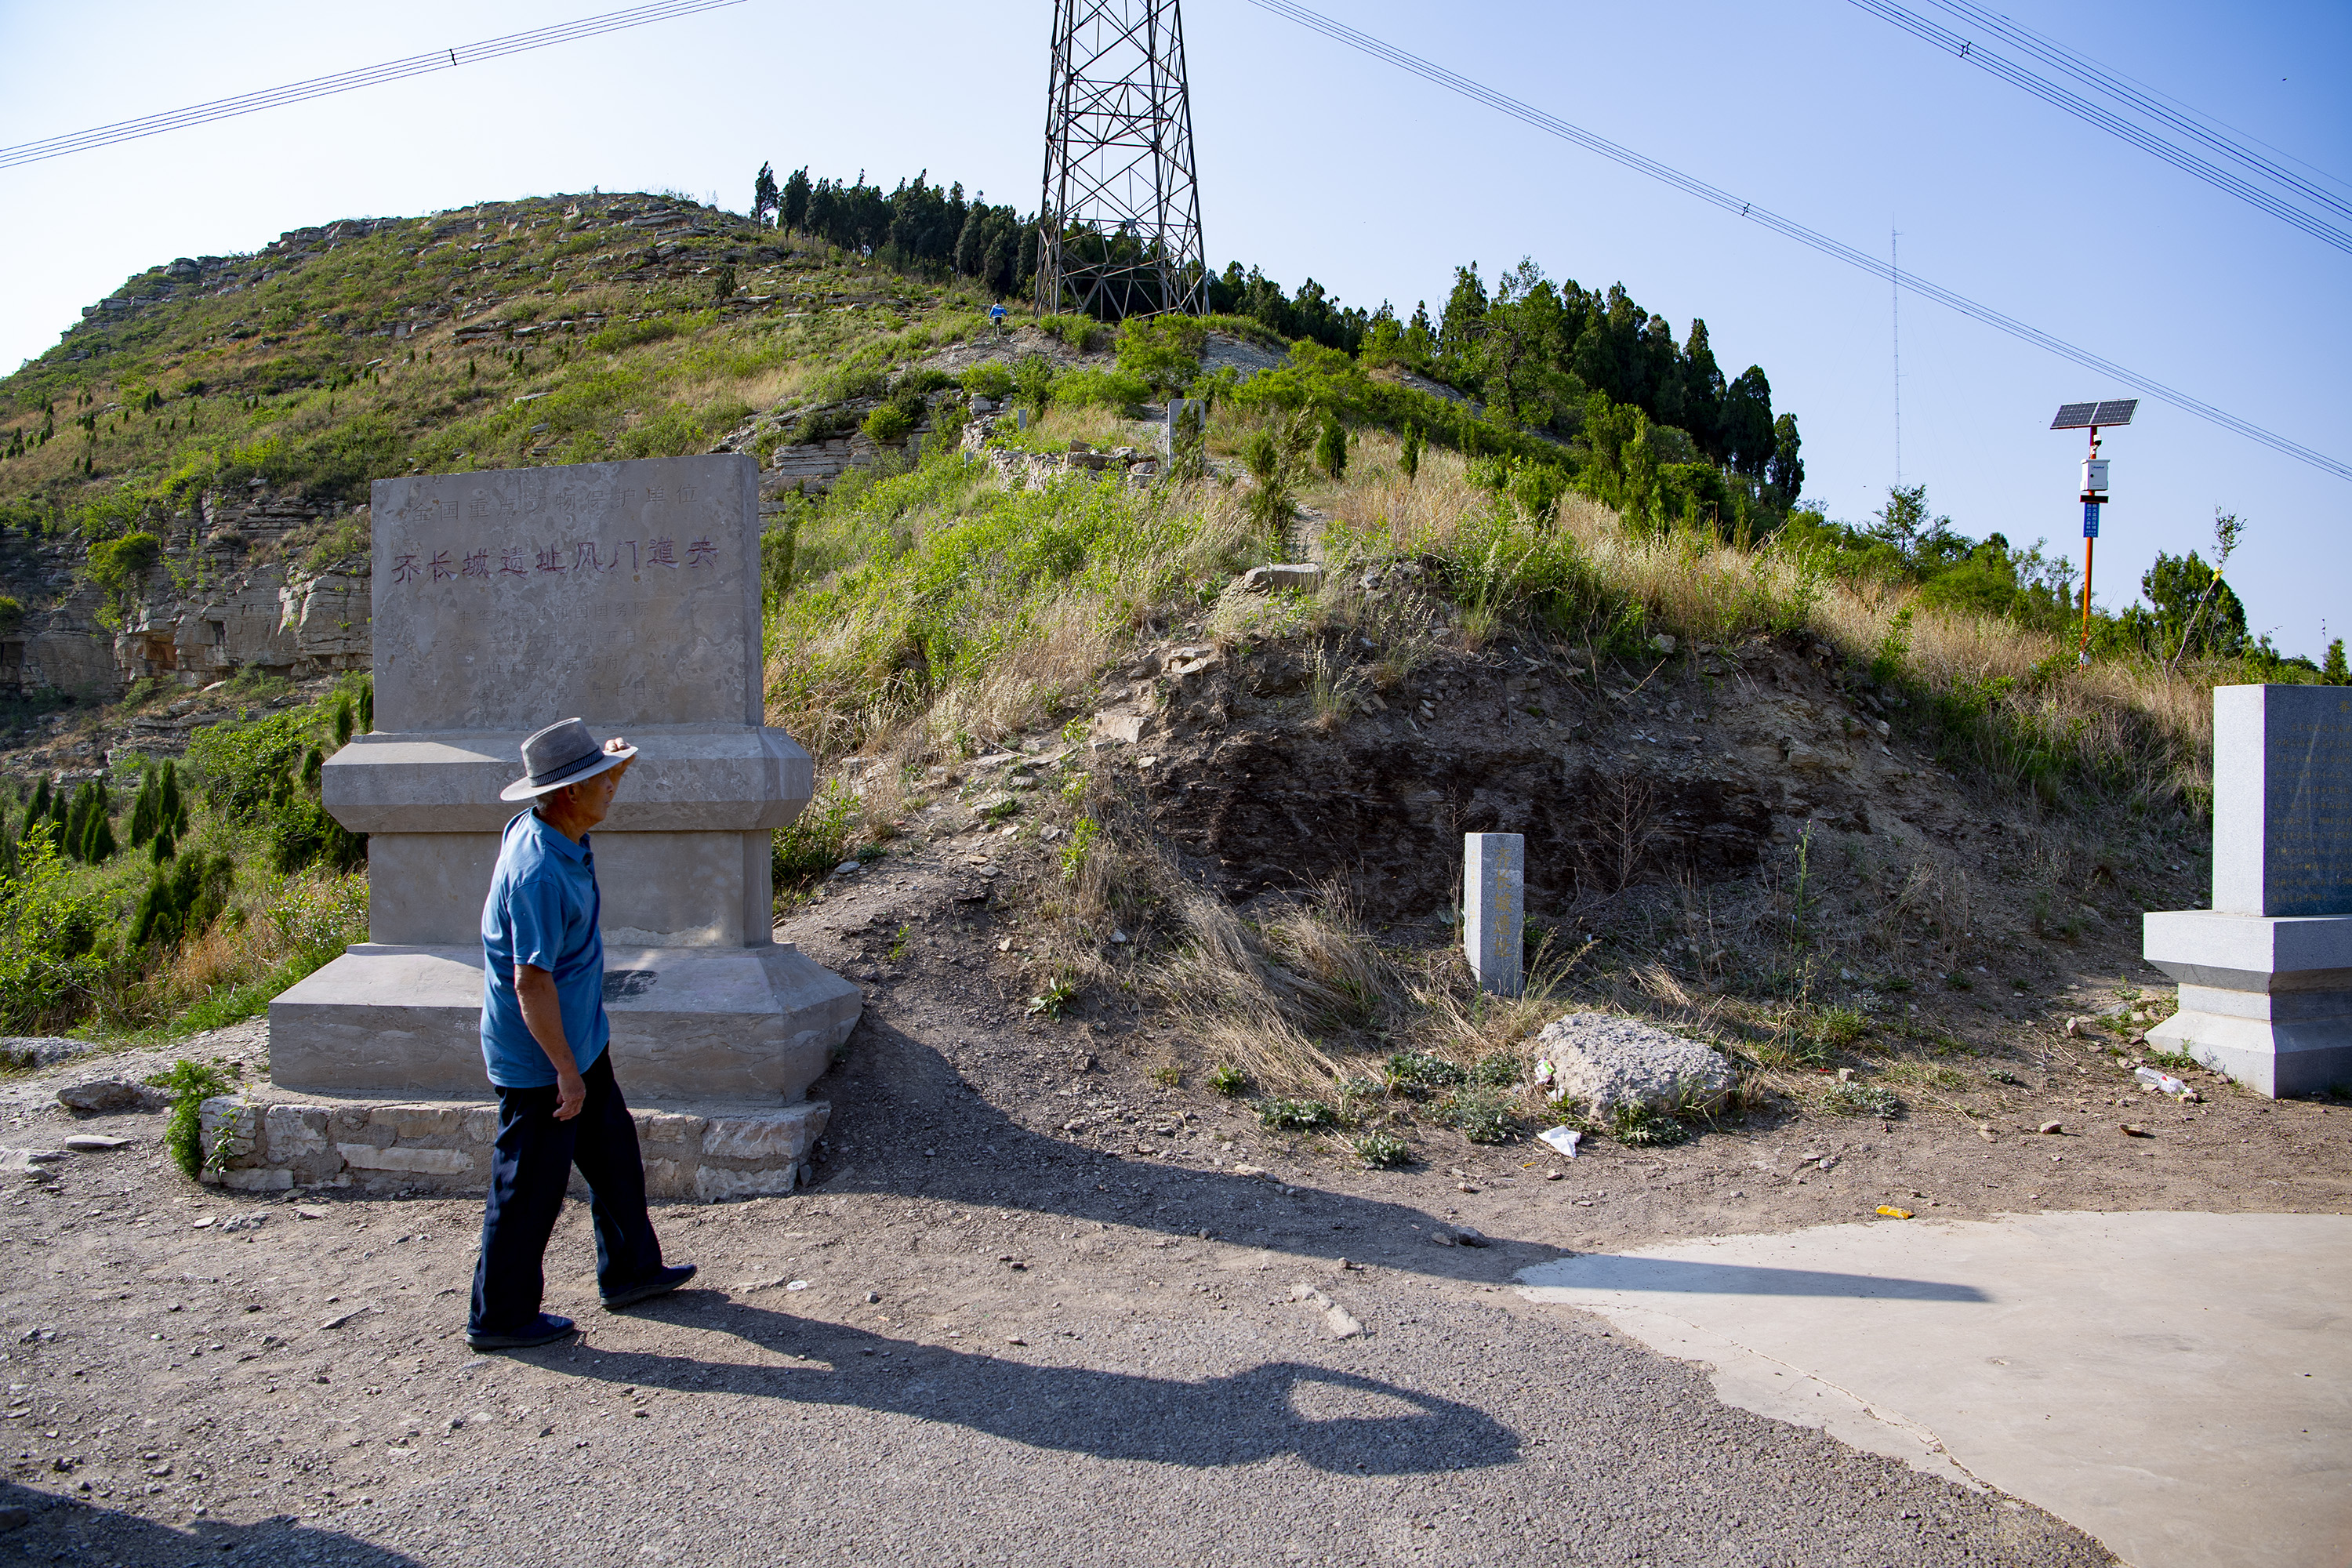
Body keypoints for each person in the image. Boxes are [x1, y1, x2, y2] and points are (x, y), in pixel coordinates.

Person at [466, 717, 695, 1352]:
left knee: (615, 1158)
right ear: (570, 794)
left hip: (578, 1041)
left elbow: (593, 784)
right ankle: (500, 1317)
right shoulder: (538, 872)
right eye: (599, 781)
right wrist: (565, 1070)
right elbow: (530, 984)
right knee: (528, 1190)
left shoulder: (553, 822)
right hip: (542, 1057)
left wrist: (611, 762)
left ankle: (631, 1273)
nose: (611, 788)